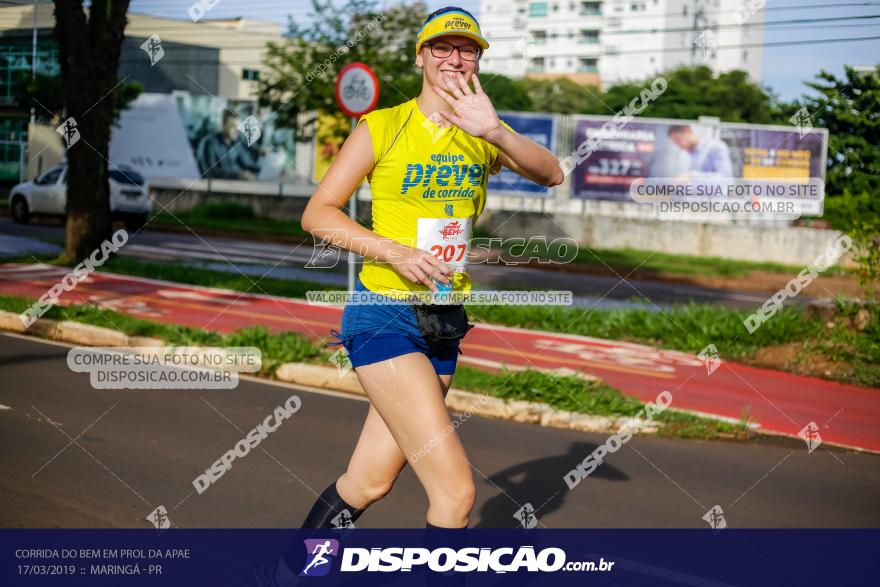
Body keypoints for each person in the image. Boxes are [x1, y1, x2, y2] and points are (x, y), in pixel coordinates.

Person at [667, 124, 734, 179]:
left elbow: (726, 178)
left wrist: (692, 176)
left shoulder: (716, 147)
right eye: (676, 143)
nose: (679, 146)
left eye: (678, 140)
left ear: (687, 130)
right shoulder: (684, 156)